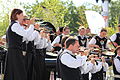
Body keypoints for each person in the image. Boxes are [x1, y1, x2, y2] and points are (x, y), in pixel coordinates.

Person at [4, 8, 35, 80]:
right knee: (18, 72)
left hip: (15, 51)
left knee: (17, 72)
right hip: (14, 52)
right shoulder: (15, 25)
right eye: (22, 15)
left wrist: (29, 27)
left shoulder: (16, 25)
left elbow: (23, 38)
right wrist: (31, 26)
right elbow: (25, 34)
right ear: (17, 15)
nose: (23, 17)